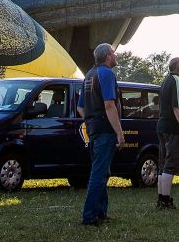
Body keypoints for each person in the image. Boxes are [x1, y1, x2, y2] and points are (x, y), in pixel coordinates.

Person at [78, 43, 124, 227]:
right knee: (98, 173)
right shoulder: (106, 74)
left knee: (102, 171)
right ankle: (89, 216)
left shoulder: (89, 75)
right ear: (107, 57)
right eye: (114, 53)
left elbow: (80, 107)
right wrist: (120, 133)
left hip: (93, 129)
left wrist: (91, 120)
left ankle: (101, 213)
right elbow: (109, 105)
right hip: (105, 130)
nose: (116, 55)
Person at [156, 56, 179, 210]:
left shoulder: (165, 80)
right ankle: (166, 201)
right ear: (177, 67)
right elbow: (177, 107)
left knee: (163, 164)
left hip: (162, 127)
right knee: (170, 164)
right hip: (173, 129)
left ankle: (161, 199)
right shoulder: (176, 80)